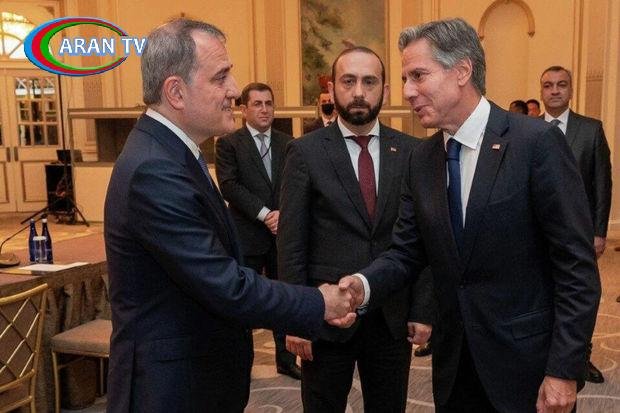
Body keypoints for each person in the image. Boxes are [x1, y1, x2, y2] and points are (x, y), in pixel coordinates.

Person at [340, 18, 601, 413]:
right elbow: (406, 252)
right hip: (455, 367)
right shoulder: (421, 160)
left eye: (418, 75)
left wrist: (564, 370)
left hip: (527, 368)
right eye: (406, 79)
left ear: (462, 71)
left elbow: (576, 268)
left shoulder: (536, 143)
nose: (407, 91)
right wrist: (362, 286)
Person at [104, 18, 355, 413]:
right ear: (176, 92)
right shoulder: (155, 169)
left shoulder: (171, 153)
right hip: (172, 390)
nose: (235, 91)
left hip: (194, 379)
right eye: (221, 77)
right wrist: (318, 302)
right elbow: (226, 286)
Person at [278, 46, 434, 412]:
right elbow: (291, 242)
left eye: (369, 82)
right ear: (332, 89)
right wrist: (296, 317)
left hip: (392, 315)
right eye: (348, 81)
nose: (359, 92)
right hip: (327, 316)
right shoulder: (305, 152)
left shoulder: (413, 152)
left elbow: (425, 238)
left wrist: (423, 309)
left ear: (386, 91)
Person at [215, 82, 301, 380]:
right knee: (244, 302)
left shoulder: (289, 143)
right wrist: (266, 215)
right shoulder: (229, 144)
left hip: (282, 235)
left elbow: (295, 185)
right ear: (244, 109)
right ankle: (240, 363)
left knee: (284, 299)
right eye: (257, 104)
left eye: (269, 103)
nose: (264, 110)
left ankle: (286, 360)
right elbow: (229, 186)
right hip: (247, 236)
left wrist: (283, 215)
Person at [540, 65, 612, 384]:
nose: (555, 90)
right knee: (544, 294)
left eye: (561, 84)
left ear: (571, 90)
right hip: (538, 233)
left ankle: (581, 357)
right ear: (541, 91)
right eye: (548, 85)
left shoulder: (591, 129)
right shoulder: (526, 130)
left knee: (581, 295)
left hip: (580, 233)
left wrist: (599, 231)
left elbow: (602, 183)